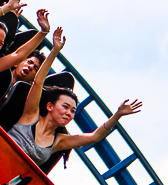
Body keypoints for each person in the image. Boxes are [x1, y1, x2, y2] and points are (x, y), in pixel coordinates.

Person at [8, 27, 142, 168]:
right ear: (50, 106)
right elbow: (38, 82)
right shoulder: (31, 116)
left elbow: (94, 136)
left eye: (72, 111)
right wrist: (54, 51)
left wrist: (118, 114)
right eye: (65, 107)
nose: (69, 113)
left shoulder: (59, 141)